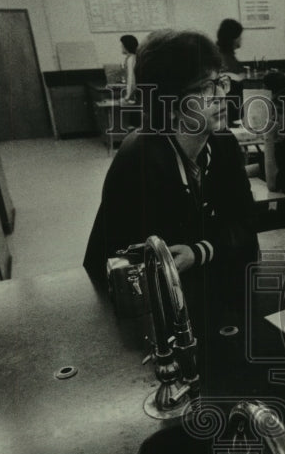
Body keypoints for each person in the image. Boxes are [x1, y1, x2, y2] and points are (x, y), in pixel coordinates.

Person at [83, 30, 259, 339]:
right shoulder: (139, 157)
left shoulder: (223, 143)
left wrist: (199, 251)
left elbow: (247, 230)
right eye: (205, 87)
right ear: (169, 102)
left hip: (201, 298)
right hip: (138, 313)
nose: (220, 96)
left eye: (220, 82)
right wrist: (213, 246)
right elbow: (142, 262)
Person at [119, 34, 139, 103]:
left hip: (134, 96)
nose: (121, 47)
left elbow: (131, 78)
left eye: (122, 45)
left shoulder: (131, 59)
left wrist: (128, 97)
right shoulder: (132, 57)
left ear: (126, 46)